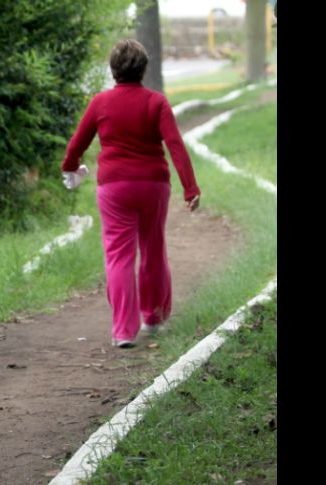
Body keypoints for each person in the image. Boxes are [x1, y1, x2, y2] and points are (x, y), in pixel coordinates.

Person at [61, 39, 200, 349]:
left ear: (113, 70)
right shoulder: (156, 102)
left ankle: (124, 331)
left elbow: (77, 143)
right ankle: (153, 317)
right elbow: (175, 144)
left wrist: (69, 168)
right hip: (154, 185)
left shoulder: (100, 103)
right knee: (153, 248)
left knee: (118, 256)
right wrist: (190, 187)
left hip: (114, 188)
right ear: (143, 69)